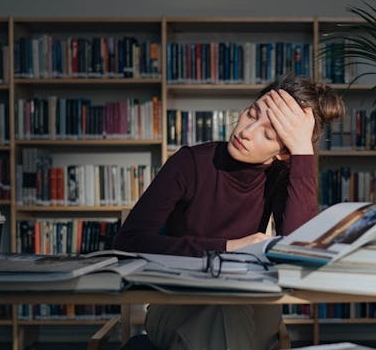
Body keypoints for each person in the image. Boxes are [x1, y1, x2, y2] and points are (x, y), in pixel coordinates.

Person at [112, 74, 346, 350]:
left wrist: (303, 153)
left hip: (251, 303)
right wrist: (228, 248)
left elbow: (299, 259)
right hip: (180, 302)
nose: (246, 131)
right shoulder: (189, 163)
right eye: (252, 114)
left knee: (230, 304)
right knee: (224, 309)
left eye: (269, 134)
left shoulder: (282, 177)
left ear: (283, 152)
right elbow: (128, 243)